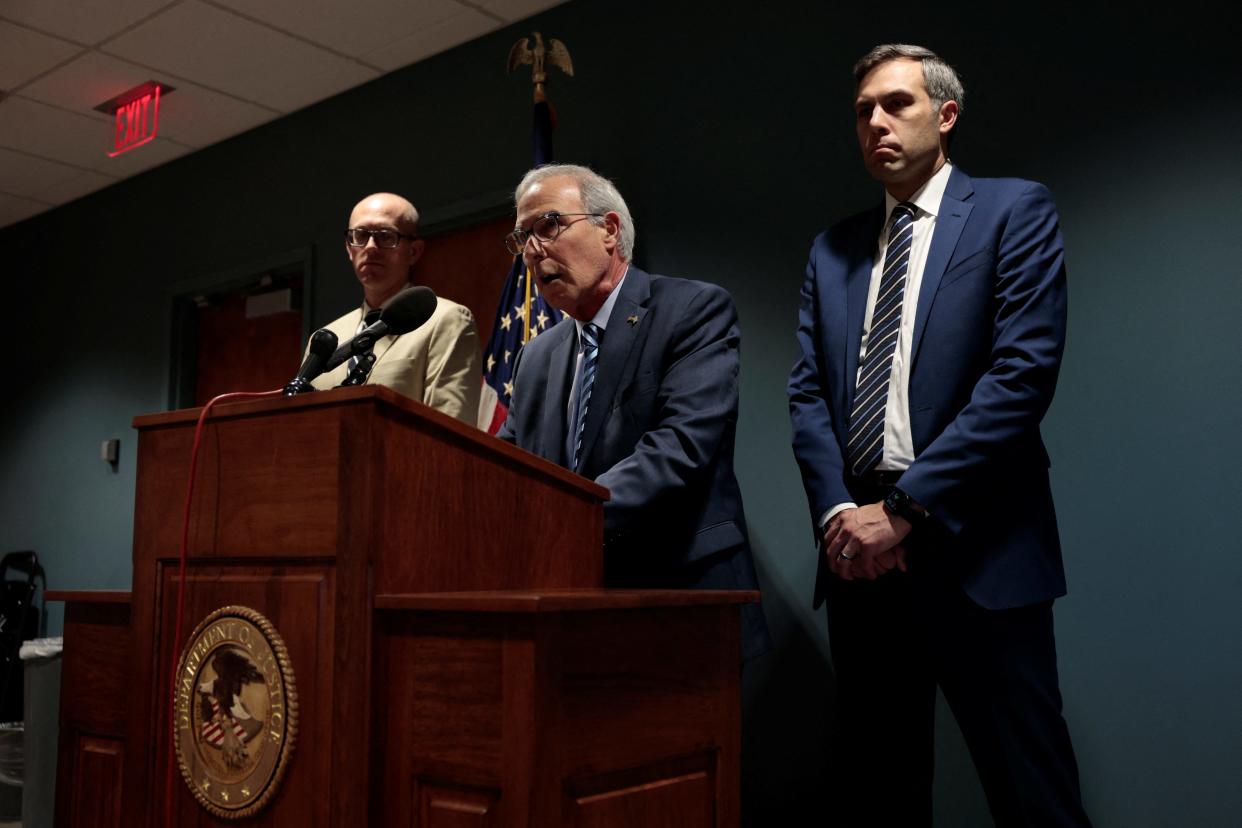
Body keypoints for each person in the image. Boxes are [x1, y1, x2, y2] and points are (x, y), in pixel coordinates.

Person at [787, 44, 1092, 826]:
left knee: (1033, 796)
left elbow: (1020, 377)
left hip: (977, 553)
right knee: (882, 793)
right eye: (864, 112)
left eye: (897, 105)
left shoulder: (1011, 211)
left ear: (946, 116)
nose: (877, 123)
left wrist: (907, 508)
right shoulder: (832, 250)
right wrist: (836, 517)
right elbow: (809, 397)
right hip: (861, 566)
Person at [496, 164, 769, 660]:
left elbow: (679, 449)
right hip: (573, 614)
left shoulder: (691, 310)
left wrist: (564, 520)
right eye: (522, 236)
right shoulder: (536, 357)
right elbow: (509, 469)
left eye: (549, 225)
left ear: (609, 230)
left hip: (681, 600)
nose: (533, 250)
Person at [310, 192, 481, 424]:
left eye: (385, 236)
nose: (370, 247)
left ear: (414, 251)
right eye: (360, 235)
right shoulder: (324, 339)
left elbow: (449, 433)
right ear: (349, 248)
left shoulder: (446, 320)